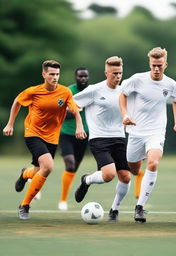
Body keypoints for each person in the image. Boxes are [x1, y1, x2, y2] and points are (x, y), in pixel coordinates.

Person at [3, 60, 86, 220]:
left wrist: (79, 127)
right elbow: (17, 102)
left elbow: (75, 111)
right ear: (44, 74)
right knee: (47, 167)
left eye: (57, 74)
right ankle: (25, 205)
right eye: (51, 74)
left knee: (37, 170)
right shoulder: (33, 92)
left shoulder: (65, 92)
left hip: (52, 138)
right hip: (33, 133)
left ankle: (25, 174)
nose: (55, 77)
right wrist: (10, 124)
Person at [119, 47, 176, 223]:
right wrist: (125, 114)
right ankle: (139, 170)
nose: (156, 69)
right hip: (135, 132)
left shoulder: (171, 84)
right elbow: (122, 95)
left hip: (156, 132)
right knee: (133, 169)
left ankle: (139, 207)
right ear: (150, 63)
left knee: (154, 161)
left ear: (165, 64)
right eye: (154, 65)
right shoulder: (136, 80)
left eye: (160, 65)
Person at [74, 56, 131, 222]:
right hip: (99, 139)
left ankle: (114, 209)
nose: (117, 76)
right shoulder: (94, 90)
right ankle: (87, 180)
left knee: (126, 177)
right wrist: (79, 125)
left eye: (120, 73)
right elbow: (73, 104)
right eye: (114, 73)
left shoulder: (124, 92)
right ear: (106, 73)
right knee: (109, 174)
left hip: (119, 137)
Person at [58, 67, 90, 211]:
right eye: (80, 76)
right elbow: (59, 112)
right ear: (75, 77)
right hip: (66, 134)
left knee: (74, 169)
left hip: (83, 135)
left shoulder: (92, 92)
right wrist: (74, 111)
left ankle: (70, 192)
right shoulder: (68, 91)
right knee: (70, 164)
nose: (83, 79)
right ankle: (63, 200)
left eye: (85, 76)